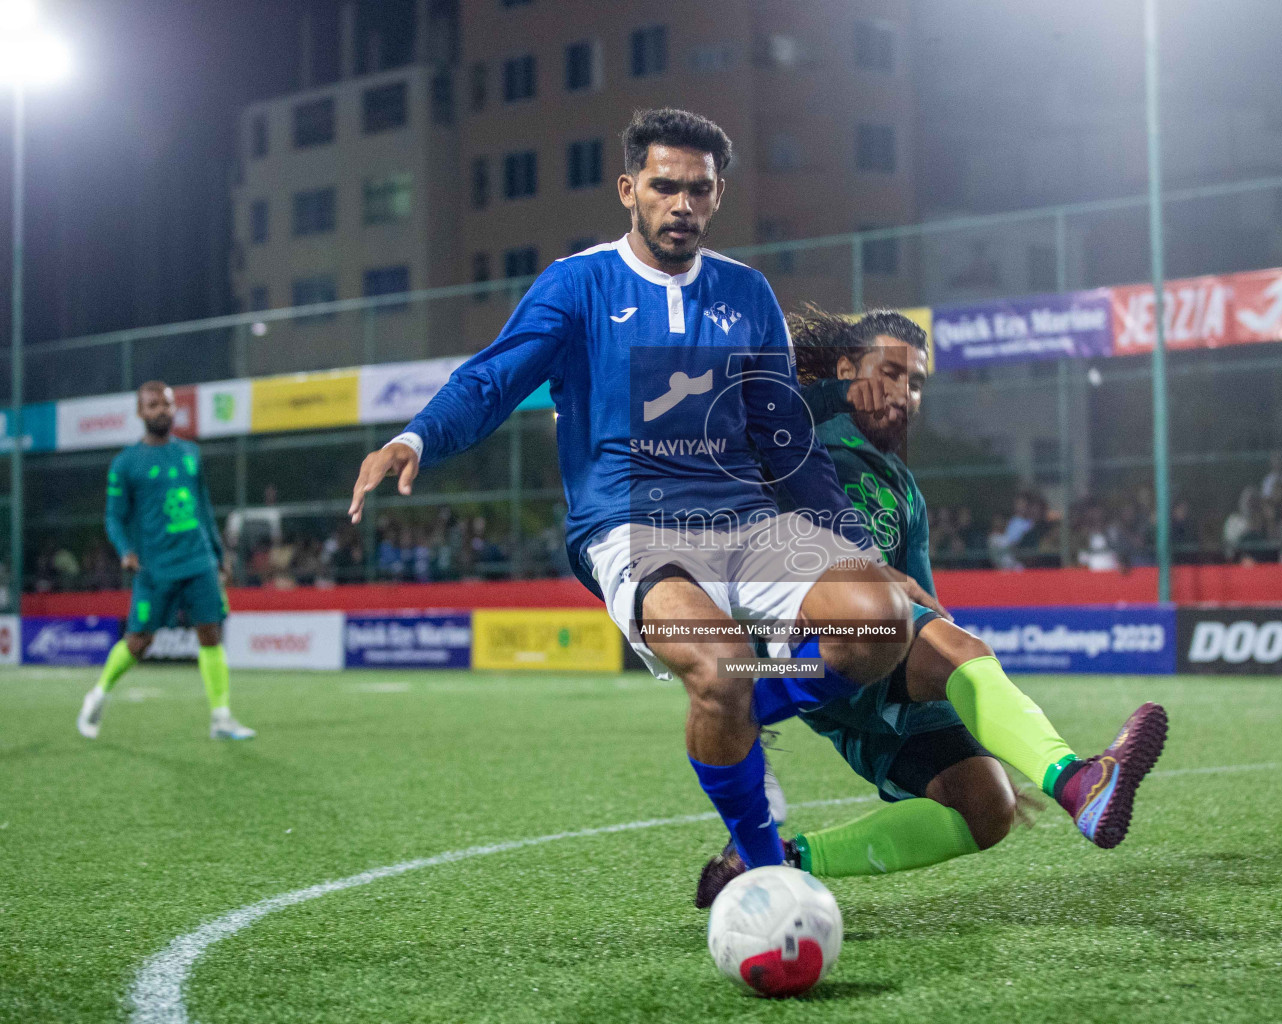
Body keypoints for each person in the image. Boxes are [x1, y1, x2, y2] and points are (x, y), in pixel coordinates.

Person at [347, 109, 951, 871]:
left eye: (699, 190)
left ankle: (749, 704)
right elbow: (493, 379)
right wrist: (415, 437)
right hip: (633, 523)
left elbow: (786, 440)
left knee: (876, 622)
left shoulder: (747, 292)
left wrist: (860, 553)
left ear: (719, 194)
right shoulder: (576, 285)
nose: (683, 205)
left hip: (749, 523)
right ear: (630, 188)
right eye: (665, 187)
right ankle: (763, 868)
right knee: (722, 664)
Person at [693, 309, 1165, 903]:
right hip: (809, 641)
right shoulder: (797, 435)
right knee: (957, 648)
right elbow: (747, 407)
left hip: (873, 654)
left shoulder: (904, 490)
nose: (905, 395)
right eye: (889, 374)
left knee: (984, 806)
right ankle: (1076, 782)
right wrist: (830, 393)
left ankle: (780, 862)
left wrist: (997, 724)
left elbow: (923, 604)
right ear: (846, 370)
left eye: (916, 382)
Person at [76, 382, 254, 741]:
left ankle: (221, 718)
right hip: (154, 568)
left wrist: (219, 555)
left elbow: (203, 507)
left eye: (167, 404)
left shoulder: (190, 453)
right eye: (153, 405)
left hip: (198, 559)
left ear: (175, 409)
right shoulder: (126, 463)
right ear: (141, 413)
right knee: (140, 642)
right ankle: (98, 693)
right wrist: (126, 550)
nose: (161, 410)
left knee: (210, 633)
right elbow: (114, 517)